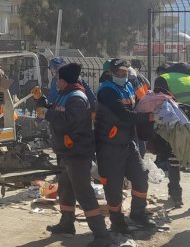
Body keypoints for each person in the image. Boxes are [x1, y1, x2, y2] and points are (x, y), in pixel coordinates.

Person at [35, 63, 113, 246]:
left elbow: (70, 121)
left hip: (77, 153)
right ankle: (66, 223)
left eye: (57, 79)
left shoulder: (77, 97)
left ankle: (101, 235)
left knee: (84, 193)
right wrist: (41, 101)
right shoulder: (65, 95)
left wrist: (48, 114)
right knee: (66, 190)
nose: (56, 82)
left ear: (62, 80)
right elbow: (54, 110)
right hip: (65, 152)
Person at [96, 58, 157, 233]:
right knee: (113, 186)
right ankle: (117, 221)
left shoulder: (128, 86)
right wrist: (149, 118)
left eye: (124, 72)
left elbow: (137, 107)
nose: (122, 75)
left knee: (140, 177)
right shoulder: (107, 91)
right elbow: (124, 115)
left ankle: (138, 213)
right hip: (110, 146)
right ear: (111, 73)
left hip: (129, 143)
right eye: (118, 73)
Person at [153, 62, 190, 210]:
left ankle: (175, 197)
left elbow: (159, 105)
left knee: (174, 160)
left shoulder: (163, 78)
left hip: (179, 123)